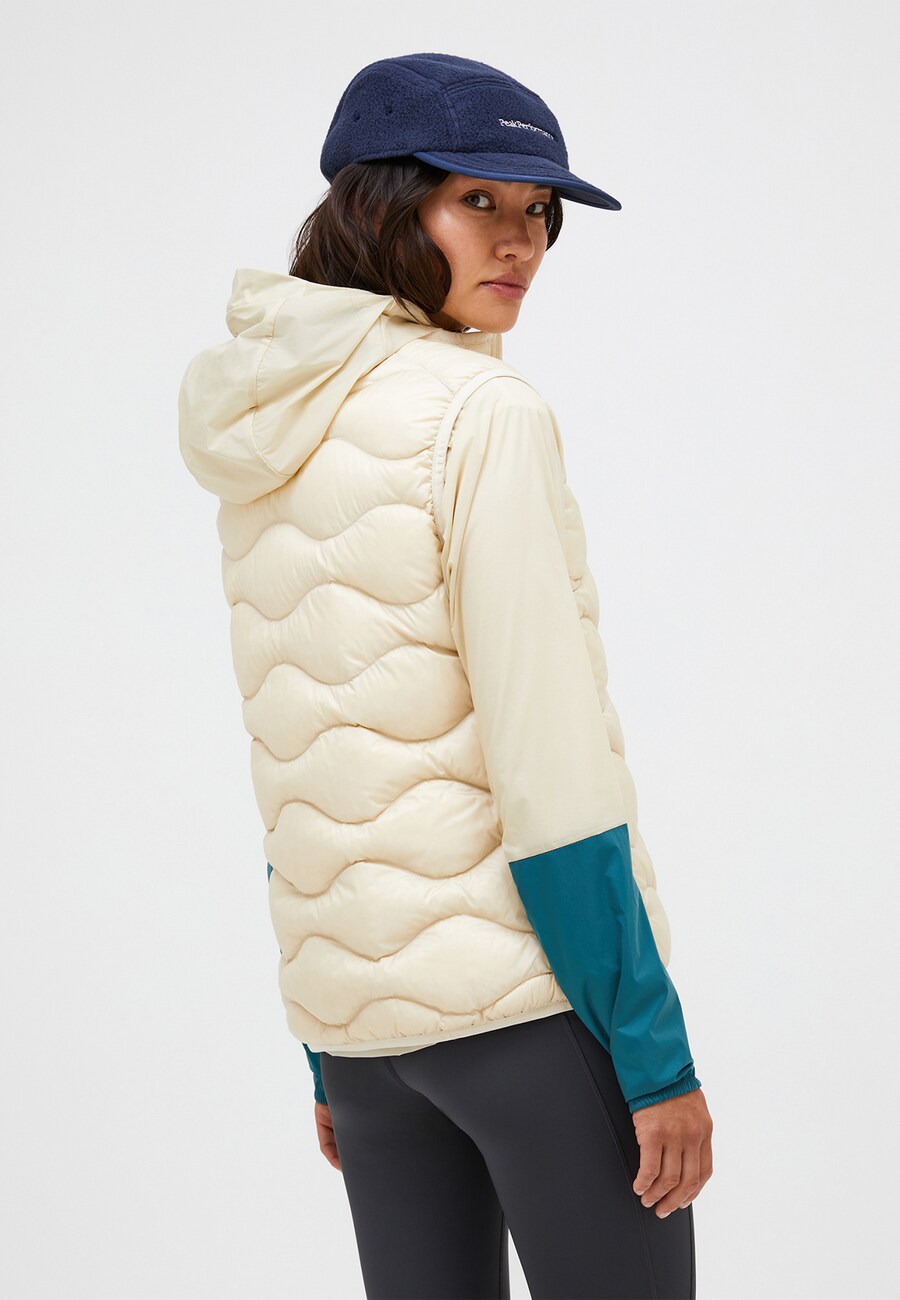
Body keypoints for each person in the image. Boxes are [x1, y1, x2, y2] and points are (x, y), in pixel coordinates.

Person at [179, 51, 713, 1300]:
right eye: (479, 199)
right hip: (525, 1015)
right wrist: (653, 1053)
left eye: (539, 210)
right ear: (384, 202)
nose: (520, 240)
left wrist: (330, 1047)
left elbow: (304, 752)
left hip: (367, 1042)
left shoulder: (272, 422)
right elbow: (552, 766)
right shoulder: (480, 413)